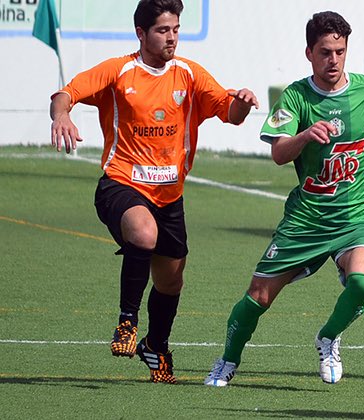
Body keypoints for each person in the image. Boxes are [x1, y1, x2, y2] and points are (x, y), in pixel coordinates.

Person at [204, 10, 364, 387]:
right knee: (257, 297)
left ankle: (328, 337)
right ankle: (227, 360)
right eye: (325, 52)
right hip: (307, 220)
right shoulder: (296, 95)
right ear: (309, 53)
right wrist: (305, 136)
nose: (333, 59)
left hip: (357, 217)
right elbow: (278, 153)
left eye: (339, 51)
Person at [49, 0, 258, 384]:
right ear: (141, 34)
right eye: (163, 30)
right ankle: (126, 322)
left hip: (169, 197)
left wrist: (242, 104)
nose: (172, 37)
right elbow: (65, 94)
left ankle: (156, 345)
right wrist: (61, 114)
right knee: (144, 233)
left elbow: (229, 113)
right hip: (120, 184)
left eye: (176, 29)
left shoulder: (190, 75)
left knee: (171, 282)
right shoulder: (118, 71)